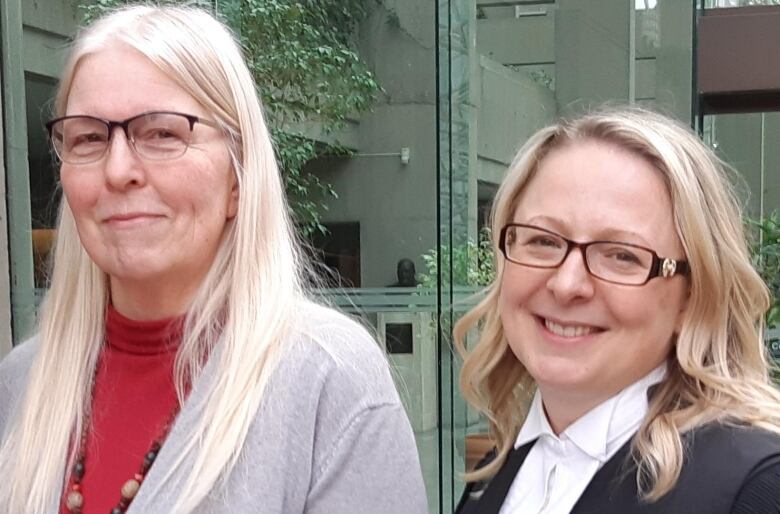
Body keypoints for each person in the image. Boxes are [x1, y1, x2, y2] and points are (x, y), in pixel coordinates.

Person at [0, 6, 427, 514]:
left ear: (237, 178)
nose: (118, 170)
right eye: (88, 137)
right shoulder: (23, 382)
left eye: (162, 133)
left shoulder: (328, 382)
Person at [453, 108, 780, 514]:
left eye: (622, 255)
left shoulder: (756, 489)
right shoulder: (496, 474)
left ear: (692, 298)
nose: (567, 284)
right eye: (543, 241)